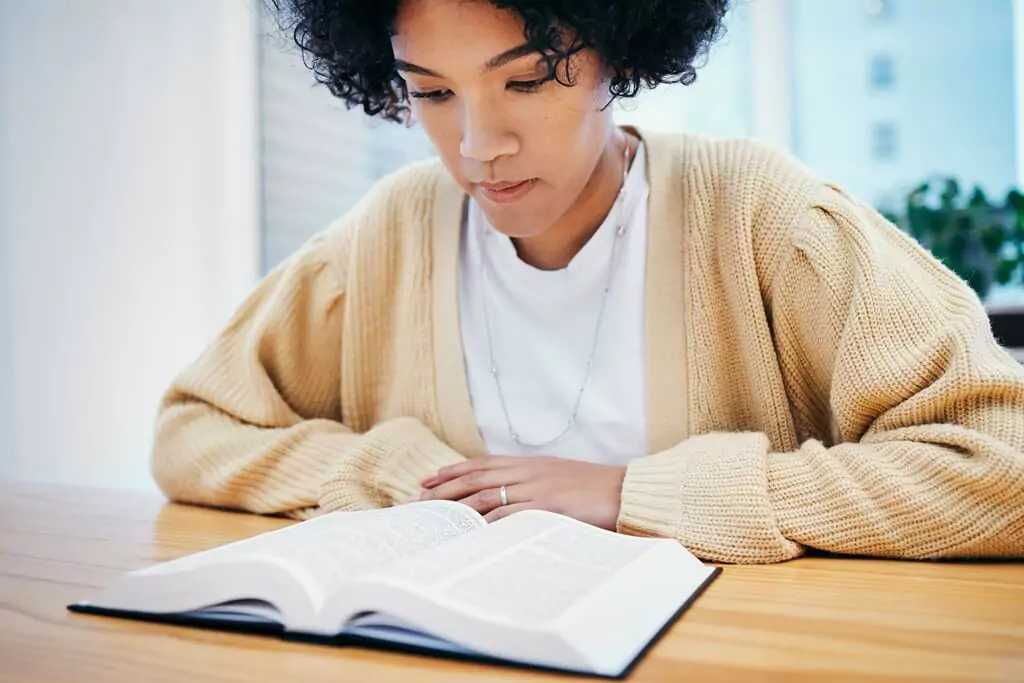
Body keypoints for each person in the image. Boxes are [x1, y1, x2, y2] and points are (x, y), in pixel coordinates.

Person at [151, 0, 1024, 564]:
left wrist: (631, 494)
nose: (476, 144)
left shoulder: (760, 217)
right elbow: (195, 426)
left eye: (526, 80)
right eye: (433, 93)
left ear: (620, 52)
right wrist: (399, 471)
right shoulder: (392, 231)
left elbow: (1001, 465)